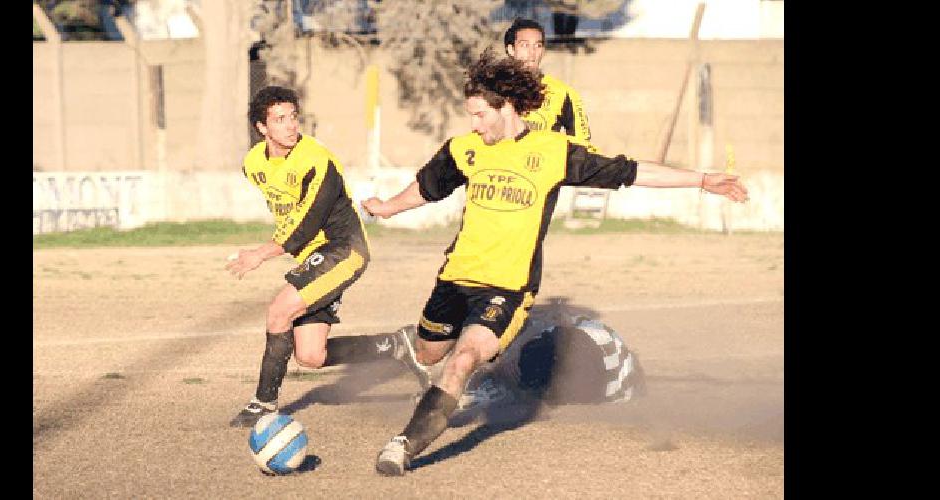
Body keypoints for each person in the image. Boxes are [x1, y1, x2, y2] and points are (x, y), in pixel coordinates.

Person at [361, 49, 748, 476]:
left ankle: (402, 446)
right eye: (469, 115)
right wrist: (388, 208)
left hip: (507, 288)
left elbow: (631, 171)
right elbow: (426, 187)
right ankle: (415, 346)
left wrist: (701, 179)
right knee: (429, 353)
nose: (473, 124)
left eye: (479, 114)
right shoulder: (465, 149)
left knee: (463, 360)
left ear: (506, 107)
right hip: (454, 279)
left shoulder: (553, 151)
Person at [226, 86, 430, 428]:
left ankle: (263, 403)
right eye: (280, 119)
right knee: (310, 356)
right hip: (312, 258)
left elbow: (305, 225)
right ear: (262, 128)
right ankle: (398, 345)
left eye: (293, 117)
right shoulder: (252, 165)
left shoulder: (317, 160)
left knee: (279, 312)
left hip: (342, 249)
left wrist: (260, 254)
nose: (291, 125)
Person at [447, 299, 646, 426]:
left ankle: (519, 384)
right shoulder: (590, 344)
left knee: (521, 372)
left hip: (592, 363)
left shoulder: (539, 345)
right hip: (599, 366)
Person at [505, 18, 590, 142]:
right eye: (525, 45)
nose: (532, 52)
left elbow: (582, 145)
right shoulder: (494, 88)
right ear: (511, 49)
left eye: (538, 46)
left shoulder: (562, 93)